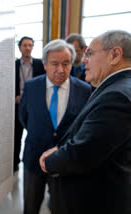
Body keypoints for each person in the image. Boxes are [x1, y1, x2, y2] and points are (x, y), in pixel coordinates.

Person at [39, 30, 131, 214]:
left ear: (115, 55)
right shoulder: (117, 88)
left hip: (95, 201)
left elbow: (83, 153)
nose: (83, 61)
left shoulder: (117, 95)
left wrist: (50, 162)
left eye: (90, 53)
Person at [19, 39, 92, 214]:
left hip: (65, 161)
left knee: (62, 207)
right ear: (44, 64)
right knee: (30, 206)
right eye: (54, 64)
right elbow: (24, 118)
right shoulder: (31, 86)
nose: (60, 69)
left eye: (65, 63)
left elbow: (84, 125)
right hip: (34, 157)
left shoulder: (84, 90)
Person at [14, 36, 45, 172]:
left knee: (35, 135)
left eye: (30, 45)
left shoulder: (40, 64)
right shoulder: (12, 65)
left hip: (34, 107)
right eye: (25, 45)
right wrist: (14, 98)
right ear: (19, 47)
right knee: (16, 136)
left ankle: (37, 163)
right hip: (16, 105)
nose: (27, 48)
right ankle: (14, 163)